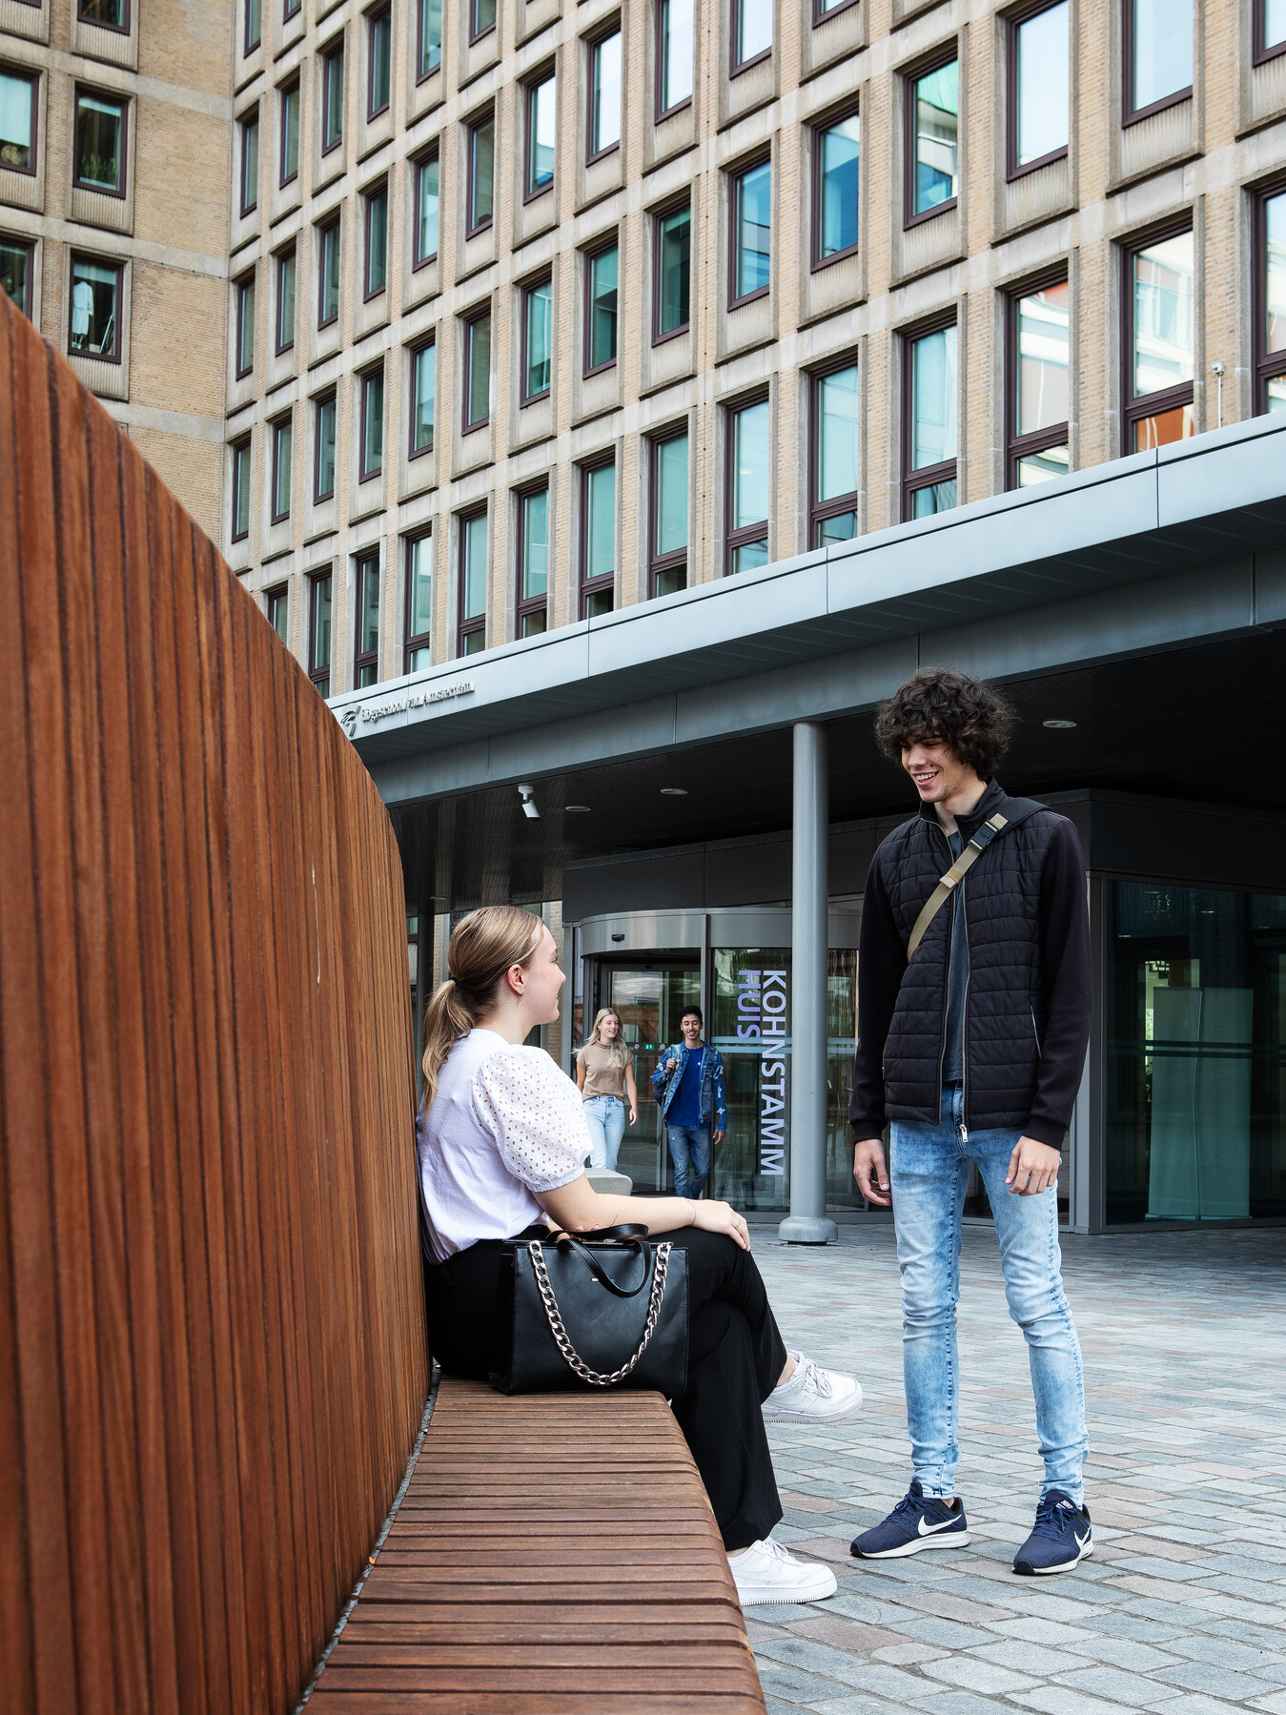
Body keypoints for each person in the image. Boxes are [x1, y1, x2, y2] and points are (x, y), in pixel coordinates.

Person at [416, 905, 863, 1607]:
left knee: (716, 1331)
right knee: (717, 1244)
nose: (562, 973)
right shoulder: (509, 1066)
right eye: (553, 960)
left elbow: (547, 1213)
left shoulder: (464, 1058)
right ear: (516, 977)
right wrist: (694, 1207)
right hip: (509, 1308)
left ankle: (742, 1546)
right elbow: (584, 1213)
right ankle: (777, 1373)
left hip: (484, 1305)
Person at [848, 668, 1092, 1578]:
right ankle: (934, 1495)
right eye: (905, 745)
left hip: (1010, 1118)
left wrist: (1048, 1124)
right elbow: (877, 1002)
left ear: (970, 742)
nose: (915, 758)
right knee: (923, 1308)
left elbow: (1071, 998)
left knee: (1037, 1302)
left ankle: (1066, 1498)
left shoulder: (1045, 841)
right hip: (915, 1119)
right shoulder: (894, 858)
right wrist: (865, 1119)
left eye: (931, 742)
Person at [652, 1007, 727, 1200]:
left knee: (703, 1170)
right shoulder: (672, 1052)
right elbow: (655, 1080)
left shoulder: (712, 1054)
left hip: (700, 1122)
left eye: (694, 1023)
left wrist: (721, 1122)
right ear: (681, 1027)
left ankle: (689, 1203)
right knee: (681, 1171)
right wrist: (666, 1070)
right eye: (686, 1023)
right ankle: (685, 1213)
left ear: (700, 1025)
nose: (691, 1027)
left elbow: (720, 1089)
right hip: (676, 1121)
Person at [575, 1006, 638, 1173]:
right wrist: (575, 1109)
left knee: (611, 1164)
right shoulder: (586, 1053)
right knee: (599, 1161)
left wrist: (634, 1107)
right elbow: (579, 1084)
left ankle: (606, 1198)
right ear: (599, 1026)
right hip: (591, 1108)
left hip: (616, 1108)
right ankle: (596, 1199)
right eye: (609, 1023)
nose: (613, 1026)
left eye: (616, 1023)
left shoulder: (623, 1051)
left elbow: (630, 1082)